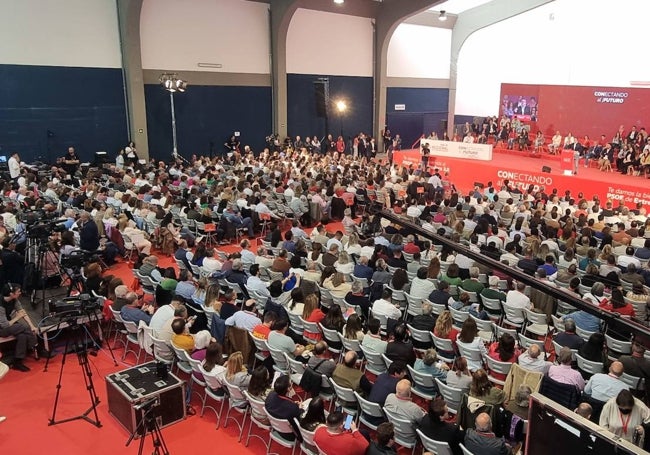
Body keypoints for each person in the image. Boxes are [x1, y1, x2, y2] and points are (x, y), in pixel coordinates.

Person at [0, 283, 38, 372]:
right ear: (11, 294)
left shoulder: (15, 300)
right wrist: (17, 317)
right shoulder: (0, 305)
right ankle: (36, 346)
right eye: (18, 292)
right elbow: (4, 325)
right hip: (2, 327)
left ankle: (17, 361)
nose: (20, 293)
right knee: (20, 326)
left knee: (22, 335)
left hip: (9, 324)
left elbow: (23, 313)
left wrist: (32, 326)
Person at [264, 374, 302, 440]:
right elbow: (298, 421)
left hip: (276, 428)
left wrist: (292, 404)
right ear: (288, 388)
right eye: (291, 383)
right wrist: (300, 408)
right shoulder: (292, 408)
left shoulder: (270, 396)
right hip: (291, 435)